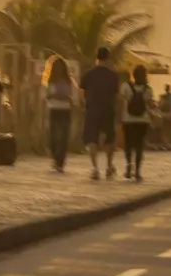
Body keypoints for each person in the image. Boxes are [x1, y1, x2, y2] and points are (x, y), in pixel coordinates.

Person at [79, 49, 121, 181]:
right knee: (109, 139)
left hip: (92, 109)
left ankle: (95, 169)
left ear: (96, 58)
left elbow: (81, 93)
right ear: (108, 58)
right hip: (108, 109)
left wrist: (85, 104)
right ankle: (108, 167)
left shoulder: (88, 74)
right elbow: (117, 96)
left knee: (92, 139)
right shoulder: (113, 75)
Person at [43, 56, 75, 173]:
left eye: (61, 67)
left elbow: (72, 96)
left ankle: (61, 161)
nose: (59, 69)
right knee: (54, 137)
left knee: (64, 137)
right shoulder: (50, 81)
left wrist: (68, 98)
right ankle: (56, 159)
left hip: (65, 110)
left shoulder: (68, 81)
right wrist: (56, 95)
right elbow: (47, 96)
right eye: (57, 67)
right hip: (54, 109)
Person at [122, 65, 153, 181]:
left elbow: (120, 101)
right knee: (139, 146)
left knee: (128, 145)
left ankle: (129, 167)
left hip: (128, 120)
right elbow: (150, 105)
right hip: (142, 121)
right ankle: (138, 172)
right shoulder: (148, 89)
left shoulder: (125, 86)